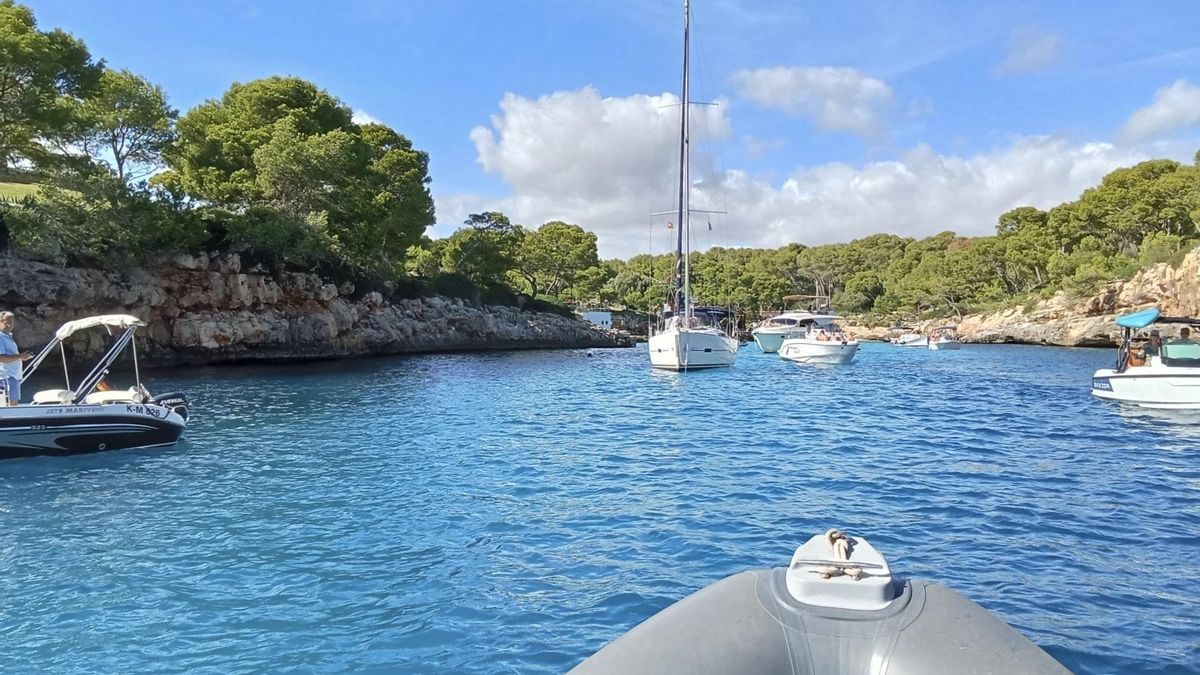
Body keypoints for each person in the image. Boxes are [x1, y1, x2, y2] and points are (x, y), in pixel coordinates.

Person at [0, 311, 33, 405]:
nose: (10, 325)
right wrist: (20, 356)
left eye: (12, 322)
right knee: (11, 404)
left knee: (12, 404)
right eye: (7, 322)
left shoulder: (8, 337)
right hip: (7, 376)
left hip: (13, 376)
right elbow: (1, 358)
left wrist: (21, 358)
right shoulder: (0, 337)